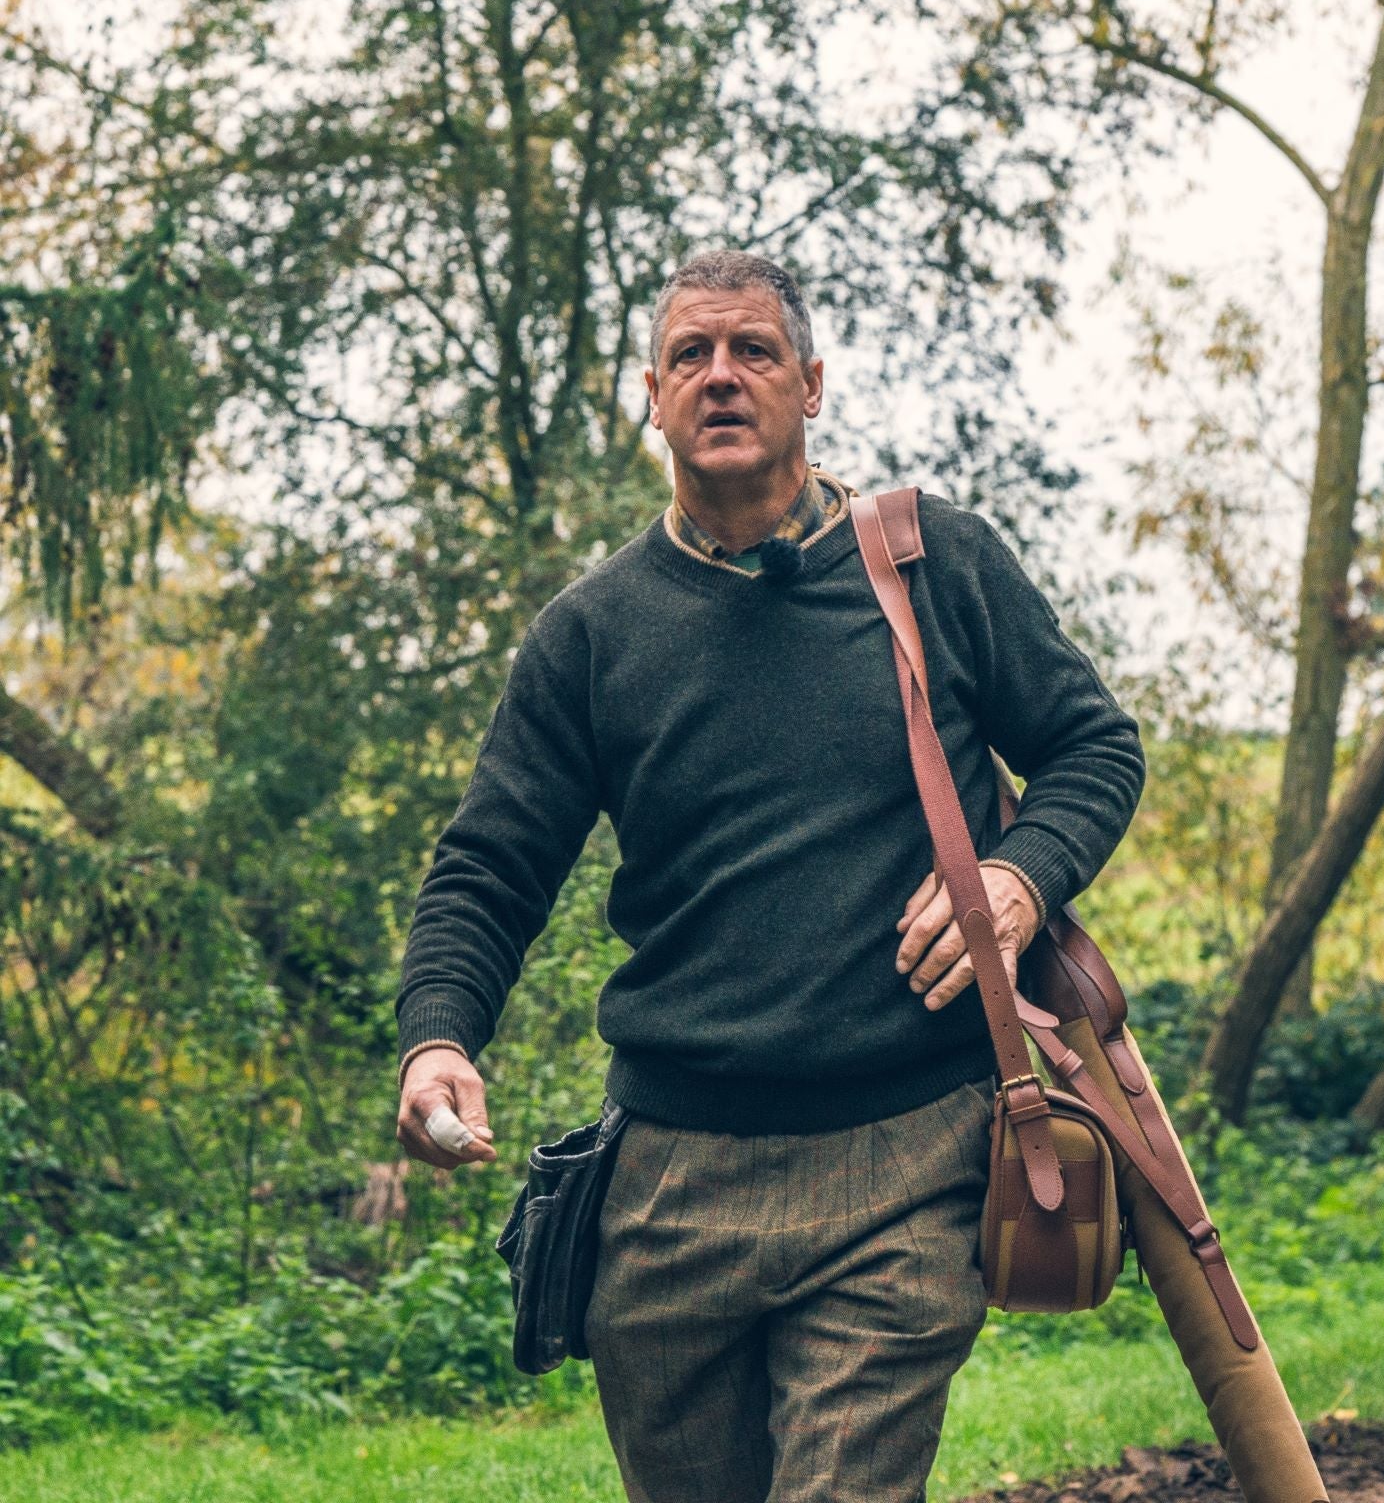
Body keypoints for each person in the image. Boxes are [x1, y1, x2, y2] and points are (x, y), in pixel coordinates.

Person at [392, 248, 1148, 1502]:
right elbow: (488, 867)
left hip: (906, 1160)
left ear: (811, 383)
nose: (721, 377)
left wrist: (1017, 880)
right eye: (690, 355)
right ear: (650, 394)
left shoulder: (935, 566)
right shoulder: (591, 634)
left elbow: (1093, 748)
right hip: (669, 1188)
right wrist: (436, 1036)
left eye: (751, 352)